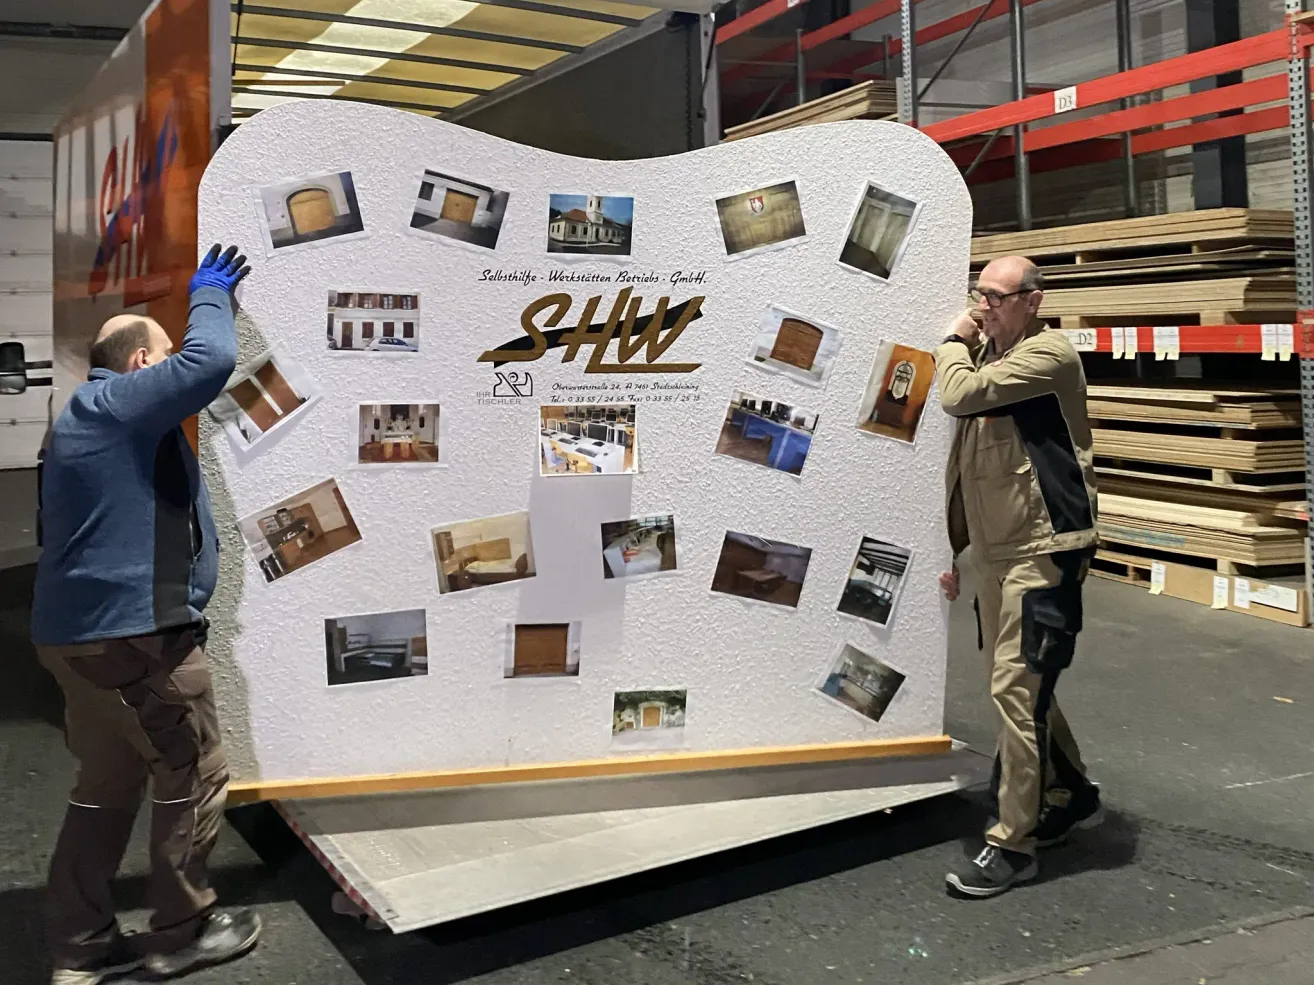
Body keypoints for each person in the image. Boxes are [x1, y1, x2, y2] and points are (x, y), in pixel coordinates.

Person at [31, 246, 261, 984]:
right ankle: (182, 931)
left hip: (84, 640)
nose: (172, 373)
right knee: (194, 771)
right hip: (135, 641)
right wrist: (209, 295)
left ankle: (80, 946)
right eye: (162, 358)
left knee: (107, 785)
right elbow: (210, 358)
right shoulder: (114, 402)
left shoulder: (88, 419)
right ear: (139, 366)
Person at [933, 255, 1102, 899]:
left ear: (1033, 300)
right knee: (1021, 684)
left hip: (1045, 547)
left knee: (1014, 685)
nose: (985, 307)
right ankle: (1073, 791)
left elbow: (958, 397)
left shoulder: (1048, 355)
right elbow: (964, 466)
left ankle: (1013, 844)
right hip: (999, 552)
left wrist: (952, 340)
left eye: (999, 298)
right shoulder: (989, 361)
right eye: (979, 296)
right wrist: (954, 551)